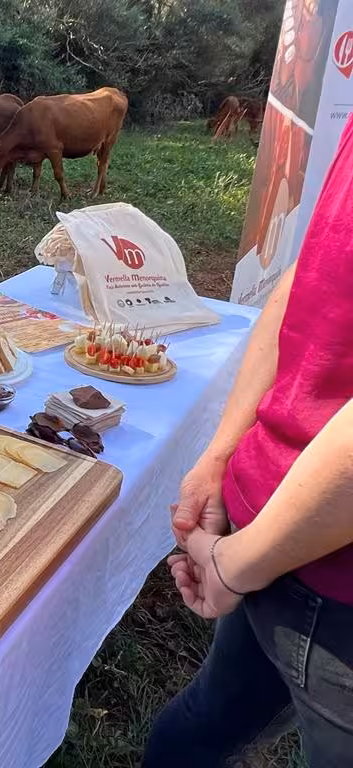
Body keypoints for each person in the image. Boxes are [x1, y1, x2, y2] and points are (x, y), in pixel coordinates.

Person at [143, 117, 353, 766]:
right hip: (272, 545)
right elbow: (308, 277)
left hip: (335, 593)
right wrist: (221, 454)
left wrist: (239, 562)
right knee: (195, 732)